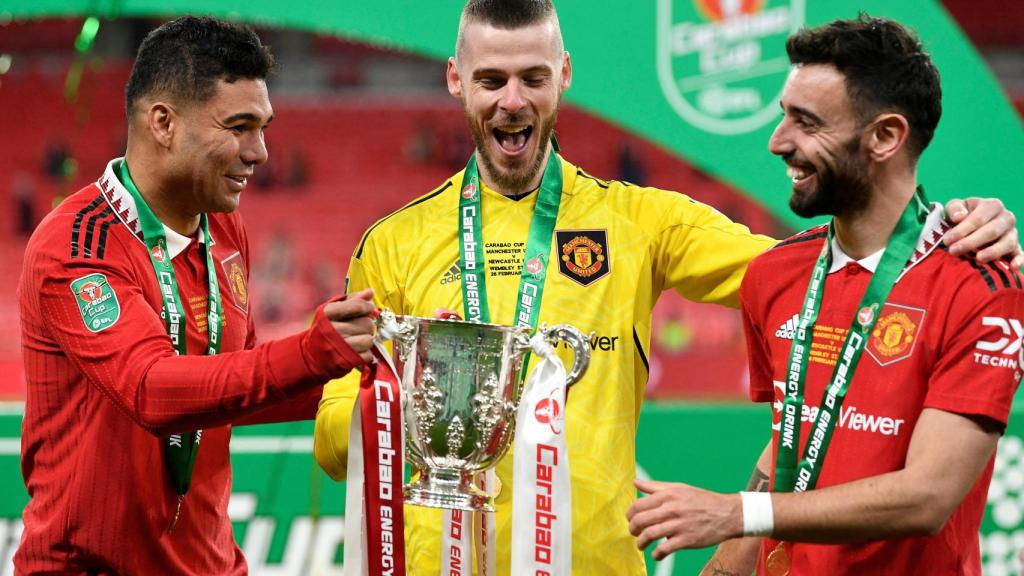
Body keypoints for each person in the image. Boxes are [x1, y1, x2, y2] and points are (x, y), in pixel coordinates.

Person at [313, 2, 1022, 574]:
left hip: (592, 564)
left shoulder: (643, 221)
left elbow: (845, 268)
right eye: (491, 80)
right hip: (442, 563)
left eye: (533, 77)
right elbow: (333, 435)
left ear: (564, 75)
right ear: (454, 81)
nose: (512, 100)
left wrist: (960, 223)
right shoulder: (394, 241)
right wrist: (420, 407)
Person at [627, 15, 1024, 576]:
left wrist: (739, 513)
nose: (777, 142)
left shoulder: (982, 284)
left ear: (886, 136)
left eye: (806, 123)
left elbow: (928, 498)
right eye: (782, 115)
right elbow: (791, 440)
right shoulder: (774, 274)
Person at [15, 16, 376, 575]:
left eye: (263, 127)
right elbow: (150, 389)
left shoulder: (225, 232)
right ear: (164, 123)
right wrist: (309, 353)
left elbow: (238, 382)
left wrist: (365, 369)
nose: (259, 152)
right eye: (238, 126)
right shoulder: (76, 243)